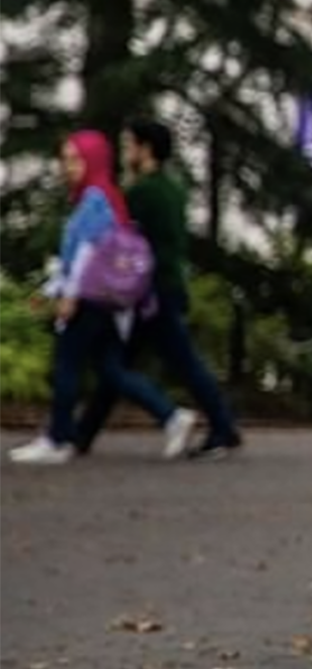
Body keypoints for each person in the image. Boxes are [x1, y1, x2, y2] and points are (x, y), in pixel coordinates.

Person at [10, 131, 196, 466]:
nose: (66, 167)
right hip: (106, 298)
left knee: (66, 364)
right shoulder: (104, 196)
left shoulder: (95, 199)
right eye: (64, 159)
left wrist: (69, 294)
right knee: (111, 369)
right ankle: (170, 416)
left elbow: (88, 251)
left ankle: (58, 439)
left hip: (90, 296)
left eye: (74, 159)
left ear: (93, 161)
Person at [69, 118, 243, 459]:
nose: (126, 152)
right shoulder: (172, 187)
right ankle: (84, 432)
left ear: (145, 149)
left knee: (166, 362)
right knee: (117, 362)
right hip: (164, 287)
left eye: (130, 145)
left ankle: (220, 427)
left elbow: (122, 239)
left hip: (149, 293)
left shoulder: (143, 191)